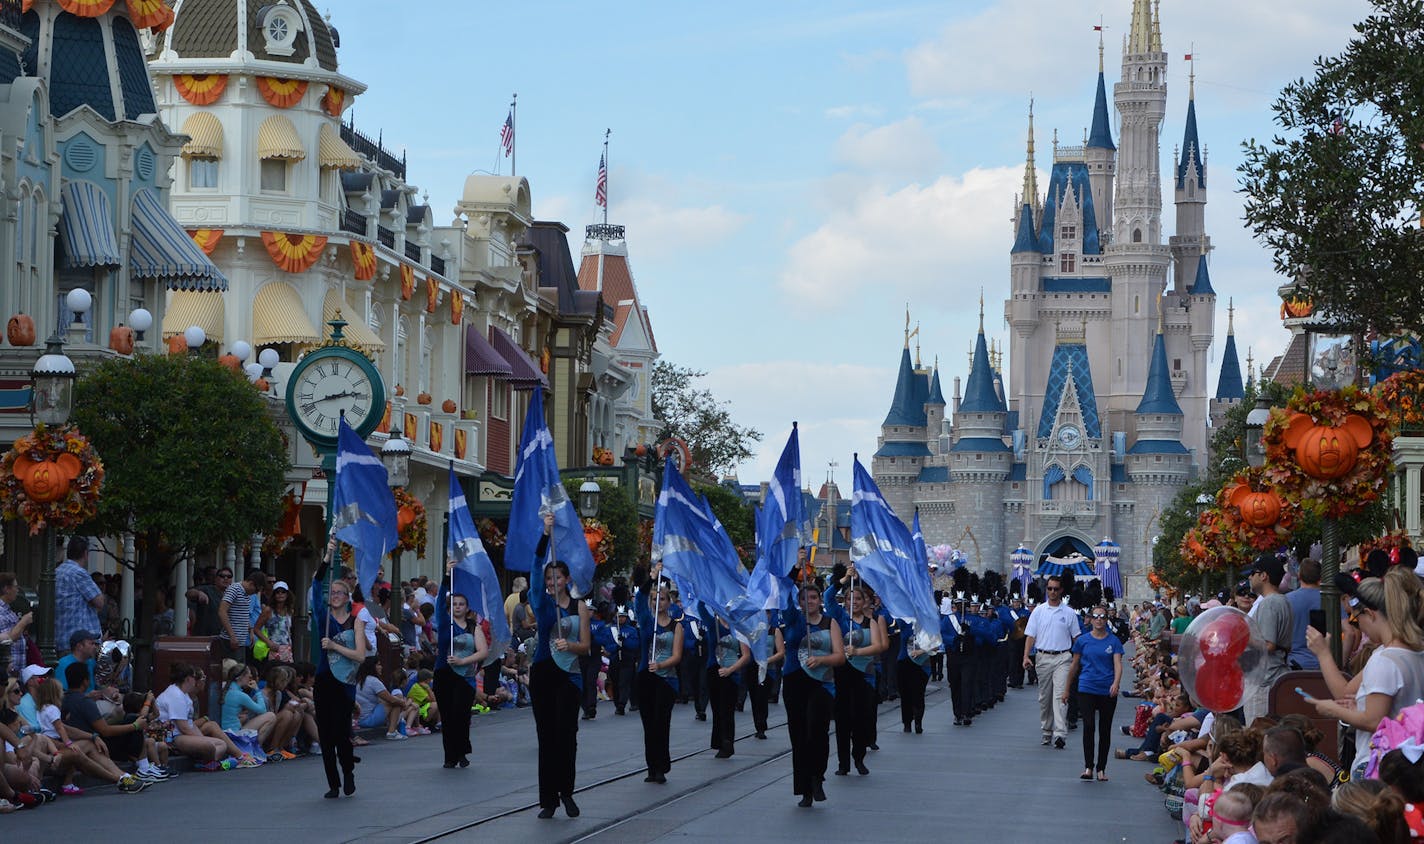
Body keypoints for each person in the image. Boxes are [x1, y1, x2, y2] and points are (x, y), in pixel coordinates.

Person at [1304, 567, 1424, 780]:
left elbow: (1373, 720)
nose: (1358, 625)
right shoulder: (1414, 650)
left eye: (1356, 618)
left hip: (1377, 762)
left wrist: (1334, 710)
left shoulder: (1385, 660)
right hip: (1407, 762)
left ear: (1370, 614)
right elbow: (1347, 693)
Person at [529, 512, 592, 819]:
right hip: (543, 673)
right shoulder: (541, 603)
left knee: (567, 736)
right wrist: (544, 534)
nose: (553, 583)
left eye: (558, 578)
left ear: (567, 579)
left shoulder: (579, 606)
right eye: (549, 579)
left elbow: (586, 646)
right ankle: (548, 800)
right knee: (546, 737)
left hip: (569, 675)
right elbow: (534, 570)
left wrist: (571, 646)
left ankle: (567, 792)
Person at [310, 540, 368, 798]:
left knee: (342, 733)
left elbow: (359, 655)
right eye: (331, 592)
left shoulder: (355, 622)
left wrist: (334, 646)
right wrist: (327, 555)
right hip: (324, 680)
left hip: (345, 682)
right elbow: (314, 585)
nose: (333, 596)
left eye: (338, 593)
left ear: (347, 597)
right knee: (325, 735)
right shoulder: (323, 618)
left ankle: (348, 772)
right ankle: (332, 783)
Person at [781, 579, 845, 808]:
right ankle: (805, 789)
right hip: (794, 681)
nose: (809, 602)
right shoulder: (793, 619)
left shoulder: (830, 623)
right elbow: (784, 599)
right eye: (804, 598)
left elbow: (840, 656)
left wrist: (821, 659)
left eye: (813, 598)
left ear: (819, 601)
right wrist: (795, 570)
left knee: (817, 731)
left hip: (821, 683)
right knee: (799, 736)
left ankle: (818, 775)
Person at [826, 569, 885, 776]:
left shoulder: (872, 622)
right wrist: (844, 579)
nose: (854, 602)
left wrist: (858, 651)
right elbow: (827, 597)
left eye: (858, 599)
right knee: (842, 720)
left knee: (861, 719)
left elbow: (878, 646)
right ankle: (843, 763)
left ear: (864, 602)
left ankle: (858, 757)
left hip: (865, 675)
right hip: (842, 673)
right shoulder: (840, 617)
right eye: (850, 598)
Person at [434, 565, 489, 769]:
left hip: (464, 676)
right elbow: (440, 601)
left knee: (461, 715)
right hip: (444, 674)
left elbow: (482, 651)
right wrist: (446, 576)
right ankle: (450, 755)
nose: (457, 607)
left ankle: (462, 751)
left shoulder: (474, 627)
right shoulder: (444, 621)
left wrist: (463, 661)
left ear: (467, 607)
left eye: (461, 604)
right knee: (447, 716)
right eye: (455, 604)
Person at [1063, 603, 1122, 782]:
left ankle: (1101, 768)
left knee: (1105, 729)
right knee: (1088, 726)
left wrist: (1116, 683)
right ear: (1091, 619)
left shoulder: (1113, 641)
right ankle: (1088, 766)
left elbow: (1118, 664)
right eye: (1095, 616)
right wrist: (1066, 689)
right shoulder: (1083, 640)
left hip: (1106, 689)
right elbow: (1074, 665)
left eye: (1102, 617)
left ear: (1106, 620)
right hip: (1087, 687)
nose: (1099, 620)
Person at [634, 565, 683, 783]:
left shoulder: (675, 627)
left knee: (661, 723)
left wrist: (662, 666)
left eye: (662, 599)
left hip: (666, 680)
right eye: (655, 599)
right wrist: (651, 578)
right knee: (648, 724)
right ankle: (651, 766)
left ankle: (662, 765)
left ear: (668, 602)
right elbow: (638, 598)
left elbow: (677, 656)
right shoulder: (646, 621)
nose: (658, 603)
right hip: (646, 678)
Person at [1023, 575, 1079, 749]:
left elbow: (1077, 637)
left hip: (1063, 657)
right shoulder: (1038, 611)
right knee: (1045, 698)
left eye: (1056, 589)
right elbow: (1030, 636)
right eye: (1050, 588)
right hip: (1043, 657)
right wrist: (1026, 656)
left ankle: (1060, 733)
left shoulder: (1069, 612)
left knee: (1061, 696)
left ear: (1061, 590)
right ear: (1046, 589)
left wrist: (1079, 659)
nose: (1052, 592)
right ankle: (1047, 730)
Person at [1243, 554, 1292, 723]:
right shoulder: (1281, 600)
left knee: (1257, 734)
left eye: (1253, 573)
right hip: (1273, 675)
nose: (1250, 577)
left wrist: (1242, 638)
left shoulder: (1268, 603)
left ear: (1264, 576)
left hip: (1265, 680)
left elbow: (1269, 644)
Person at [706, 609, 751, 760]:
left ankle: (727, 743)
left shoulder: (738, 628)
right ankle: (718, 740)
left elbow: (746, 656)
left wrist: (730, 670)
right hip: (714, 670)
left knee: (727, 709)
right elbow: (700, 606)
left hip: (731, 674)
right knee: (716, 708)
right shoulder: (714, 625)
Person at [54, 535, 103, 656]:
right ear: (86, 553)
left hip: (61, 638)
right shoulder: (78, 573)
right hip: (80, 644)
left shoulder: (57, 571)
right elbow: (99, 601)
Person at [353, 658, 418, 740]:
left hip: (358, 720)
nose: (381, 667)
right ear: (372, 667)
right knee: (396, 702)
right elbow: (391, 699)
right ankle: (392, 732)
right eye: (378, 664)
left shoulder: (358, 680)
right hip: (368, 719)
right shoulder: (373, 681)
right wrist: (402, 703)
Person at [219, 662, 275, 756]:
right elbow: (262, 710)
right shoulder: (240, 695)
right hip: (234, 732)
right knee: (271, 716)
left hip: (226, 730)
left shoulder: (227, 688)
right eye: (248, 676)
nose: (250, 678)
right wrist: (257, 690)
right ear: (241, 677)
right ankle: (254, 750)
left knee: (245, 716)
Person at [218, 569, 266, 663]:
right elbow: (222, 611)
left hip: (241, 640)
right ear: (251, 583)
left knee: (240, 670)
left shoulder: (246, 594)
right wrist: (232, 635)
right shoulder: (234, 589)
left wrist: (250, 631)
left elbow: (243, 614)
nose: (255, 593)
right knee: (232, 670)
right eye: (256, 590)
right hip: (230, 640)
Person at [895, 612, 932, 734]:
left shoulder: (927, 620)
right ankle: (906, 722)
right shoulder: (903, 620)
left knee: (918, 693)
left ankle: (918, 721)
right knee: (905, 694)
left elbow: (935, 643)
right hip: (904, 660)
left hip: (921, 663)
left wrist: (921, 651)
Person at [1284, 558, 1322, 671]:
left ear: (1299, 575)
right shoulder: (1330, 599)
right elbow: (1350, 632)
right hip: (1324, 665)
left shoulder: (1287, 600)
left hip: (1294, 665)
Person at [0, 572, 33, 676]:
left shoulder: (8, 609)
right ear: (6, 589)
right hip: (7, 673)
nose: (17, 590)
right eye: (15, 587)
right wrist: (23, 622)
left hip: (17, 671)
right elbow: (7, 639)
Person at [259, 581, 296, 664]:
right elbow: (256, 629)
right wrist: (269, 642)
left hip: (287, 649)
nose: (280, 594)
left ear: (287, 594)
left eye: (283, 592)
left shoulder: (290, 611)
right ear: (274, 595)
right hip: (273, 649)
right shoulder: (268, 610)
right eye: (277, 592)